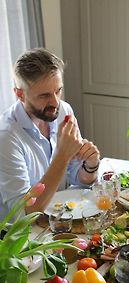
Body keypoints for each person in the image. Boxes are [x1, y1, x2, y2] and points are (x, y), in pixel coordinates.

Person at [0, 48, 100, 221]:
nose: (55, 102)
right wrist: (62, 155)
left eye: (58, 90)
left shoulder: (63, 111)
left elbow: (77, 177)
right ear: (20, 95)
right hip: (23, 239)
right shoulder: (6, 138)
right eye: (44, 95)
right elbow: (25, 214)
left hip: (60, 220)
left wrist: (90, 164)